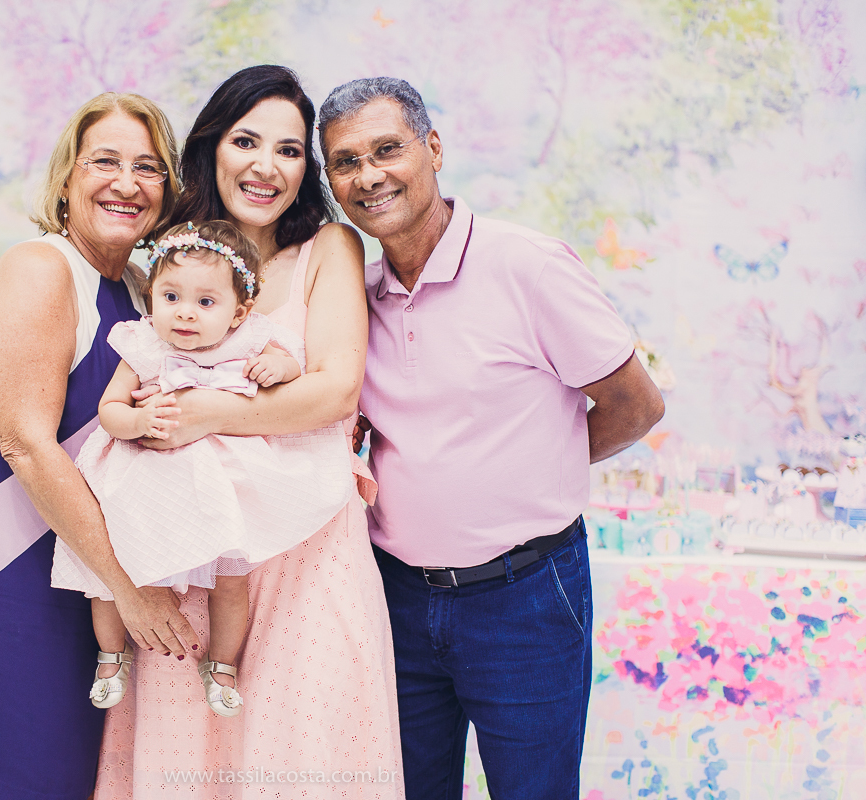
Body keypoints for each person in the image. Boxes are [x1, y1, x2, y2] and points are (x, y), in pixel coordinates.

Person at [317, 77, 666, 800]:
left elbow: (636, 405)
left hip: (526, 599)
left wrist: (538, 465)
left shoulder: (527, 265)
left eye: (388, 149)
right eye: (345, 162)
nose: (369, 176)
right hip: (397, 599)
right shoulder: (358, 295)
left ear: (433, 148)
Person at [94, 65, 404, 799]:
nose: (267, 165)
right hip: (193, 548)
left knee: (311, 753)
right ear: (213, 147)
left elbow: (334, 391)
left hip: (309, 549)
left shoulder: (330, 247)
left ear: (308, 168)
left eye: (291, 150)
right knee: (190, 759)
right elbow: (133, 376)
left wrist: (211, 415)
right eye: (247, 141)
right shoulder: (169, 253)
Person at [0, 92, 202, 800]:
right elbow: (26, 445)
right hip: (24, 579)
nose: (126, 182)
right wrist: (129, 587)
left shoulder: (143, 291)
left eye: (148, 167)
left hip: (98, 590)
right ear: (67, 179)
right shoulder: (40, 269)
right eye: (104, 160)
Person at [50, 219, 354, 718]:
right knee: (111, 572)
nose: (184, 314)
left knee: (230, 581)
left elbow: (293, 365)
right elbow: (110, 410)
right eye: (170, 297)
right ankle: (111, 656)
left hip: (217, 488)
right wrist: (136, 418)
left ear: (239, 313)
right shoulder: (146, 345)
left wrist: (282, 369)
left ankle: (223, 666)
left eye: (205, 303)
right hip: (145, 478)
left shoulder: (252, 340)